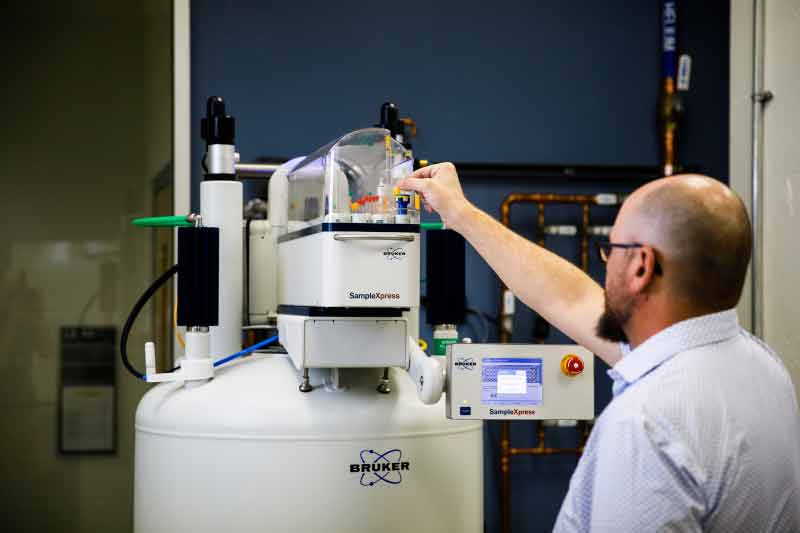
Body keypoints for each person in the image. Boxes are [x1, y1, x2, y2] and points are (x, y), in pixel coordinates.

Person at [398, 164, 800, 532]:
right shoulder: (763, 367)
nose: (604, 264)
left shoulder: (647, 424)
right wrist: (460, 214)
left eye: (611, 249)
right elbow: (571, 300)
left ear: (641, 267)